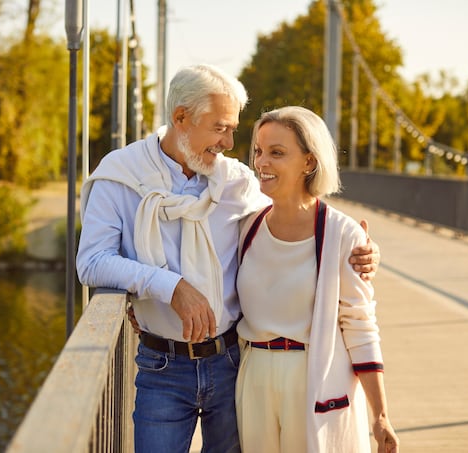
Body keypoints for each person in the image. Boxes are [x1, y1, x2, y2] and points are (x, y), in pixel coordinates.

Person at [76, 64, 380, 453]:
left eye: (234, 129)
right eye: (220, 127)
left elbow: (299, 209)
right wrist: (169, 286)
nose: (229, 142)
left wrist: (360, 248)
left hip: (233, 363)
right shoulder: (120, 176)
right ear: (181, 118)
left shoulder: (235, 181)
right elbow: (92, 261)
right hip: (161, 366)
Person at [235, 106, 399, 452]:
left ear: (309, 162)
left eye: (277, 153)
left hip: (312, 378)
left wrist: (380, 414)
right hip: (254, 381)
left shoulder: (344, 235)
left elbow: (359, 324)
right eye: (259, 151)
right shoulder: (245, 227)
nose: (261, 162)